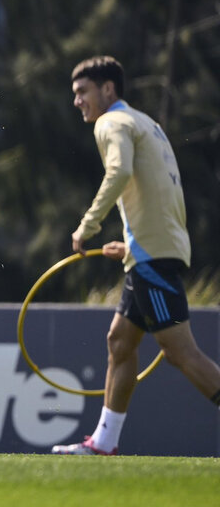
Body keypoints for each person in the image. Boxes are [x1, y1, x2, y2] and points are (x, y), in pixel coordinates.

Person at [51, 55, 220, 455]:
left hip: (153, 257)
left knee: (180, 352)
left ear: (108, 90)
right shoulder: (149, 125)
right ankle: (104, 443)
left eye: (82, 92)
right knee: (120, 342)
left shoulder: (112, 123)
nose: (77, 101)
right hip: (152, 252)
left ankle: (104, 443)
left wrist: (88, 224)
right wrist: (132, 246)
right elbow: (162, 193)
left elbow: (119, 172)